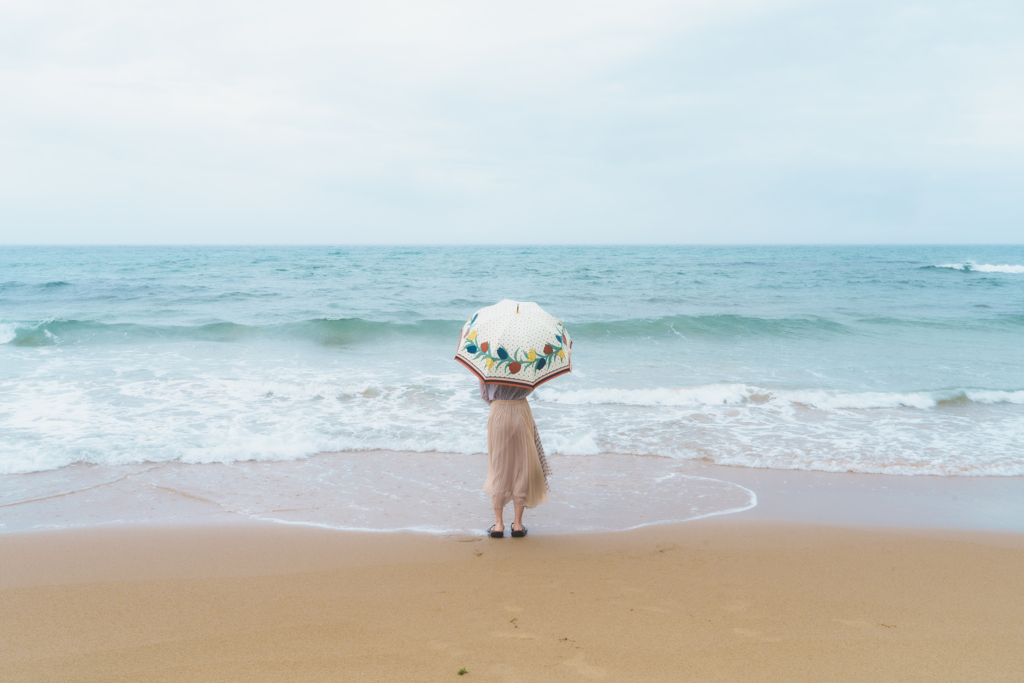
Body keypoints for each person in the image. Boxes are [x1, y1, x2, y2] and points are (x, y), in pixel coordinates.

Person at [479, 379, 551, 537]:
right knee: (522, 467)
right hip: (520, 410)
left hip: (498, 411)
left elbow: (485, 395)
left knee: (499, 468)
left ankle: (498, 525)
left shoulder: (488, 361)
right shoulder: (526, 359)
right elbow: (531, 386)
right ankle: (517, 524)